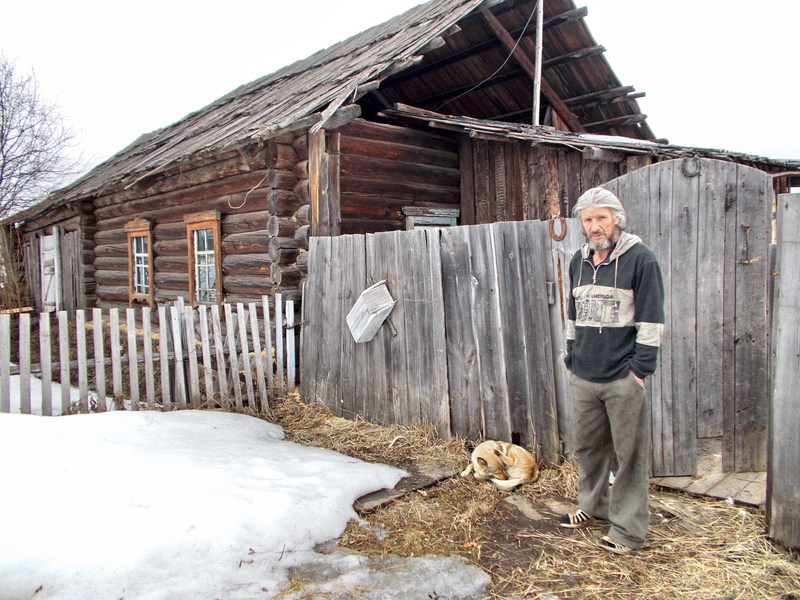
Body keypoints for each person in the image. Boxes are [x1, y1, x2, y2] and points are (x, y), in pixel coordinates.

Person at [559, 187, 665, 555]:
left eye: (601, 217)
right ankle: (594, 507)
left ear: (617, 219)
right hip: (584, 376)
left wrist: (639, 370)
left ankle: (629, 532)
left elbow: (651, 321)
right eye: (588, 219)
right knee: (588, 448)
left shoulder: (641, 259)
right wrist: (572, 356)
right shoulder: (578, 260)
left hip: (623, 378)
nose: (594, 225)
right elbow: (572, 315)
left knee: (630, 456)